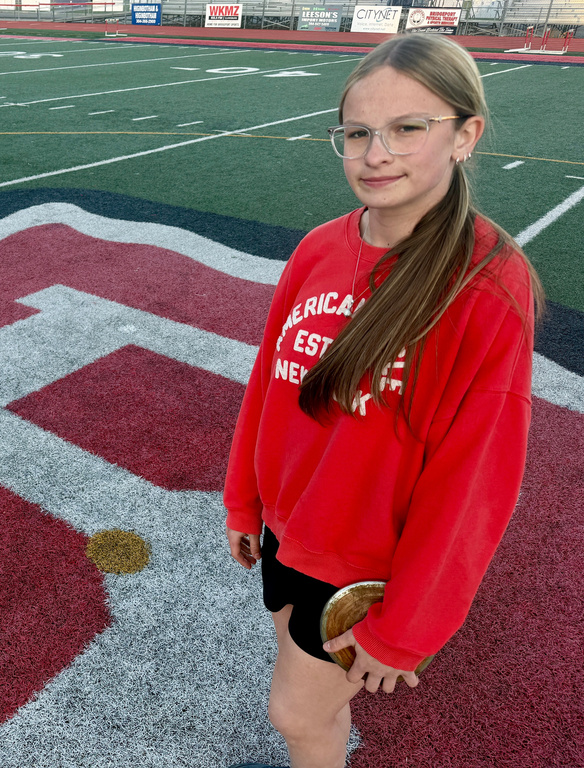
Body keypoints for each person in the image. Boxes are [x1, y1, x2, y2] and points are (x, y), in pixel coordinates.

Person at [222, 33, 543, 768]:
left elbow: (476, 481)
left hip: (365, 565)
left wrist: (409, 627)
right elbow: (270, 385)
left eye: (408, 129)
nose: (376, 154)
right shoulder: (317, 249)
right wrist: (244, 501)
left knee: (295, 714)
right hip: (289, 531)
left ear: (466, 135)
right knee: (311, 709)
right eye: (359, 133)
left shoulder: (487, 286)